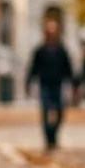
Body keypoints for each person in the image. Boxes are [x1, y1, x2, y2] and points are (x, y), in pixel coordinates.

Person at [27, 20, 76, 150]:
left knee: (59, 111)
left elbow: (68, 68)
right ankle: (48, 138)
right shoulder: (40, 50)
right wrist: (29, 82)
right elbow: (33, 68)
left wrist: (73, 83)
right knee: (45, 110)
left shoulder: (61, 50)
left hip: (58, 85)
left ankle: (54, 134)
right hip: (45, 84)